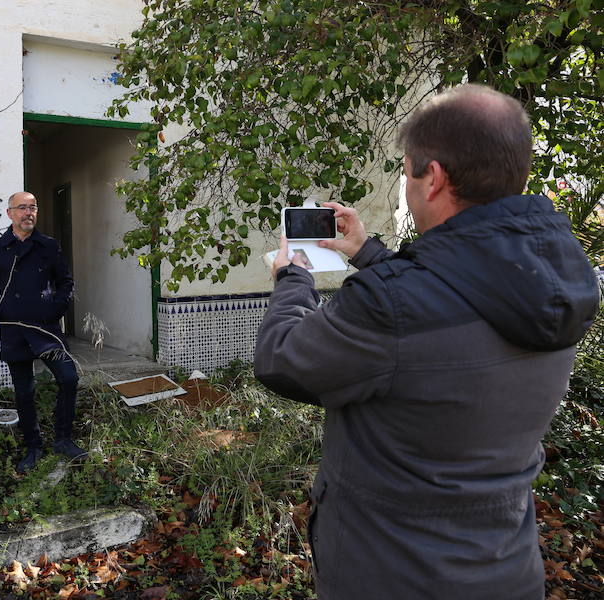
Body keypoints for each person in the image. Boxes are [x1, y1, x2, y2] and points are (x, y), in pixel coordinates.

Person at [254, 84, 599, 599]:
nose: (407, 188)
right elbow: (456, 297)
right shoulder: (555, 275)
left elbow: (282, 360)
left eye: (407, 173)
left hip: (395, 574)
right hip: (505, 568)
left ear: (432, 177)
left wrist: (293, 280)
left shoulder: (391, 306)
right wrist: (367, 252)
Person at [0, 191, 86, 473]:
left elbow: (66, 283)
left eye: (33, 207)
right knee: (24, 391)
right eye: (22, 208)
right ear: (10, 213)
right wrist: (1, 314)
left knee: (69, 378)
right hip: (14, 331)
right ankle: (33, 447)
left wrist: (55, 311)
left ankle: (62, 439)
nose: (28, 213)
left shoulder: (48, 246)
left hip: (46, 329)